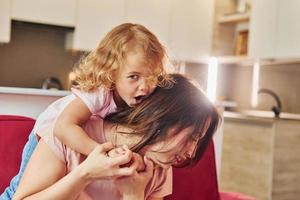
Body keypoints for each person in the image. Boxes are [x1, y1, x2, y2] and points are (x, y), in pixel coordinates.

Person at [0, 23, 172, 199]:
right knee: (22, 187)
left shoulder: (139, 99)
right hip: (51, 131)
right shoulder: (100, 91)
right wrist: (100, 152)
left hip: (69, 138)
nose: (144, 86)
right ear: (112, 73)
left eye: (151, 77)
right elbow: (64, 126)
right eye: (133, 77)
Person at [12, 74, 221, 200]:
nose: (192, 151)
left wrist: (134, 194)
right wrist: (85, 173)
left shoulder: (158, 167)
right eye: (193, 136)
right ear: (163, 116)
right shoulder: (71, 134)